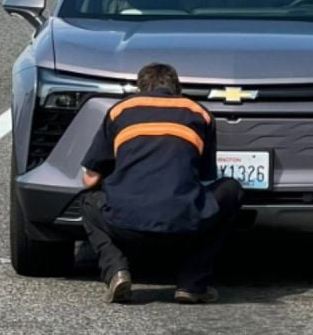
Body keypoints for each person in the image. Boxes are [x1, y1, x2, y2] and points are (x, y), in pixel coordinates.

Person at [80, 62, 243, 304]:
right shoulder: (199, 113)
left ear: (140, 88)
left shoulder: (120, 111)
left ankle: (116, 271)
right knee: (231, 190)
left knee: (87, 201)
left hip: (126, 222)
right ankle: (192, 284)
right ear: (177, 89)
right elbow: (206, 176)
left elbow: (90, 178)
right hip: (183, 222)